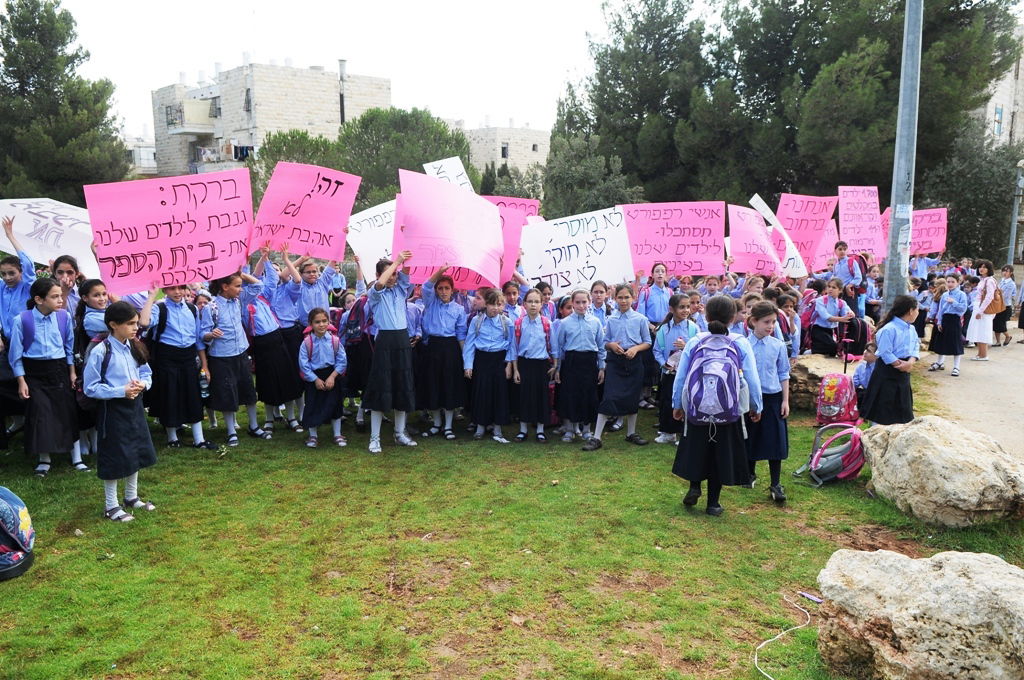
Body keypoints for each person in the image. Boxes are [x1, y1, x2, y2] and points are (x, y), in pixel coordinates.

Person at [670, 295, 762, 517]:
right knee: (720, 454)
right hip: (727, 409)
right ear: (733, 318)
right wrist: (755, 405)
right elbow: (751, 377)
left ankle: (694, 487)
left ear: (706, 315)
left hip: (697, 405)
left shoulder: (695, 341)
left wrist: (677, 403)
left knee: (696, 448)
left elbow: (681, 376)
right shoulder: (740, 342)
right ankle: (713, 503)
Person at [83, 302, 158, 522]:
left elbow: (146, 372)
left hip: (134, 406)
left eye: (136, 323)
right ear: (113, 325)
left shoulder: (134, 346)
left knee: (135, 449)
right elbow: (90, 387)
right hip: (112, 409)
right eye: (130, 323)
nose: (136, 327)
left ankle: (131, 497)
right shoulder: (100, 351)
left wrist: (142, 385)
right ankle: (111, 506)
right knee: (115, 455)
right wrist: (120, 391)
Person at [9, 278, 83, 476]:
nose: (61, 300)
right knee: (41, 414)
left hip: (59, 369)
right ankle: (44, 459)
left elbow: (69, 348)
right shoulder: (22, 320)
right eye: (55, 296)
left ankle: (76, 457)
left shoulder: (64, 317)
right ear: (39, 299)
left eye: (61, 295)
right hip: (34, 372)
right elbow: (15, 355)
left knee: (66, 411)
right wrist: (21, 381)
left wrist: (72, 372)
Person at [140, 284, 217, 450]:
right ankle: (172, 437)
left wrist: (204, 364)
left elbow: (198, 339)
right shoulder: (158, 308)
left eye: (181, 288)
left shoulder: (192, 309)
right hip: (166, 357)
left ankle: (199, 439)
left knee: (193, 396)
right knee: (170, 395)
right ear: (165, 290)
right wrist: (151, 296)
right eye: (172, 288)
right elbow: (144, 322)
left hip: (188, 357)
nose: (177, 292)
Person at [198, 271, 271, 446]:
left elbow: (258, 286)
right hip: (222, 357)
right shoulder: (211, 308)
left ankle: (253, 426)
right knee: (227, 395)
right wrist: (210, 334)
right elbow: (201, 335)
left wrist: (241, 274)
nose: (240, 289)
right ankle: (231, 431)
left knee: (248, 391)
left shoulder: (239, 301)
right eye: (237, 286)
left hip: (241, 354)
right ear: (225, 287)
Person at [583, 284, 652, 451]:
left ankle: (631, 433)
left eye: (627, 297)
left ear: (633, 298)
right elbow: (605, 342)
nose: (623, 300)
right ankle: (597, 437)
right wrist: (612, 345)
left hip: (634, 361)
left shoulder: (641, 319)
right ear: (615, 299)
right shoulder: (611, 320)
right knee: (609, 396)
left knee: (632, 396)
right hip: (615, 361)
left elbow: (647, 342)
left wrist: (635, 348)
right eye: (620, 297)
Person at [363, 252, 417, 454]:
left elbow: (408, 272)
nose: (393, 277)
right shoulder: (375, 294)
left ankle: (399, 433)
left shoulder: (401, 290)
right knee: (381, 389)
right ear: (378, 275)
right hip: (385, 342)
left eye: (395, 274)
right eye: (389, 274)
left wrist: (408, 245)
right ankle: (374, 438)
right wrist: (396, 262)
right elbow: (379, 284)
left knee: (403, 388)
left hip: (402, 341)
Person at [743, 301, 790, 503]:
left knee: (775, 440)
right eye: (766, 322)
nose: (770, 326)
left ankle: (776, 482)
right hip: (752, 397)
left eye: (773, 322)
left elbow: (783, 373)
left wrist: (785, 400)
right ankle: (749, 473)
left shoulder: (778, 345)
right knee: (750, 436)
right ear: (753, 322)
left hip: (773, 397)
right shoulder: (744, 344)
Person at [417, 266, 467, 440]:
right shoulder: (430, 303)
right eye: (440, 288)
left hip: (450, 349)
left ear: (452, 290)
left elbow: (461, 334)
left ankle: (447, 426)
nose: (444, 291)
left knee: (449, 385)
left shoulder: (459, 310)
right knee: (433, 384)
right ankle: (436, 424)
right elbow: (425, 287)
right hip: (432, 347)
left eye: (447, 288)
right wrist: (440, 271)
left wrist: (465, 358)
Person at [554, 290, 605, 443]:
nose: (581, 305)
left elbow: (601, 345)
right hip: (571, 361)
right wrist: (558, 368)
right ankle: (569, 429)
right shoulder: (564, 323)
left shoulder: (595, 322)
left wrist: (601, 367)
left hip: (589, 362)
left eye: (584, 302)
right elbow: (559, 346)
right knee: (570, 395)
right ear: (573, 303)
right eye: (577, 302)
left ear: (589, 302)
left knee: (588, 395)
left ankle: (586, 429)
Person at [463, 288, 514, 443]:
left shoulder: (507, 322)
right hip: (482, 360)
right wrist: (468, 365)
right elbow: (469, 344)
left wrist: (509, 365)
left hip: (499, 361)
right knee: (481, 393)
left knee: (499, 394)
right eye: (492, 304)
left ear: (503, 306)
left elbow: (511, 345)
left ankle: (497, 429)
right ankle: (480, 426)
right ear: (486, 304)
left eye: (499, 304)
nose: (495, 308)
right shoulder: (476, 321)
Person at [860, 295, 920, 425]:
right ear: (911, 310)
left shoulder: (912, 329)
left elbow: (916, 346)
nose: (918, 313)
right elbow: (885, 352)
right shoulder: (889, 329)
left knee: (902, 409)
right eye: (917, 310)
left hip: (903, 371)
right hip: (887, 371)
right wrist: (900, 364)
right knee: (881, 409)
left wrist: (910, 362)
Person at [298, 308, 347, 447]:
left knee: (336, 404)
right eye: (317, 322)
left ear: (329, 321)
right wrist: (315, 379)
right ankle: (313, 436)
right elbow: (303, 364)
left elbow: (342, 360)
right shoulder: (307, 343)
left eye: (324, 321)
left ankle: (337, 434)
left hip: (332, 375)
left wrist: (332, 376)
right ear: (311, 324)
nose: (321, 325)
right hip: (314, 378)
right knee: (313, 405)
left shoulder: (334, 340)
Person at [653, 294, 698, 445]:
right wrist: (663, 363)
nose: (686, 310)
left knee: (686, 401)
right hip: (669, 372)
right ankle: (668, 432)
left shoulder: (693, 328)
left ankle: (684, 433)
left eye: (688, 306)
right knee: (667, 401)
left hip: (686, 373)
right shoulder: (663, 329)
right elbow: (657, 350)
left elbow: (699, 350)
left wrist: (686, 347)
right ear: (672, 309)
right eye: (682, 307)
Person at [511, 288, 555, 442]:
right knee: (524, 396)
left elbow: (554, 347)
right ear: (524, 304)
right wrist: (515, 369)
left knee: (541, 397)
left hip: (541, 365)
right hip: (524, 364)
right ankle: (523, 430)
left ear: (542, 304)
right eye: (530, 301)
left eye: (537, 302)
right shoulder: (518, 323)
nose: (533, 305)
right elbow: (514, 349)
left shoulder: (546, 323)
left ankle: (540, 430)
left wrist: (555, 365)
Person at [634, 263, 671, 409]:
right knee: (647, 361)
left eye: (663, 271)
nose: (660, 274)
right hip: (650, 328)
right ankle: (640, 397)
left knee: (657, 363)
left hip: (664, 329)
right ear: (652, 274)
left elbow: (671, 311)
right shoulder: (646, 291)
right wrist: (651, 327)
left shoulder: (670, 292)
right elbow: (641, 313)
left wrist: (664, 326)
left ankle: (648, 394)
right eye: (657, 271)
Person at [927, 275, 968, 376]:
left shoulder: (961, 294)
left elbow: (963, 308)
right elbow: (941, 309)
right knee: (941, 342)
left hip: (954, 319)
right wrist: (939, 322)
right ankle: (939, 362)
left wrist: (954, 302)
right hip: (944, 319)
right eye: (948, 282)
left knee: (955, 343)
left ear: (958, 282)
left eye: (952, 282)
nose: (950, 284)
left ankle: (956, 367)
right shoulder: (944, 295)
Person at [810, 278, 854, 355]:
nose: (830, 289)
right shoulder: (820, 300)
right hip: (818, 329)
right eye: (829, 286)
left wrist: (850, 314)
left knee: (831, 351)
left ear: (840, 290)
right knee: (831, 347)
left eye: (834, 287)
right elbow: (826, 317)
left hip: (831, 330)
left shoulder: (841, 302)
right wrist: (841, 319)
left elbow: (847, 312)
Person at [966, 259, 997, 361]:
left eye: (984, 267)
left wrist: (980, 311)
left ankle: (984, 355)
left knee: (983, 331)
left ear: (989, 269)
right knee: (978, 331)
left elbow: (989, 297)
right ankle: (980, 354)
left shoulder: (990, 280)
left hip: (984, 309)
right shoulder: (982, 279)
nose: (981, 269)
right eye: (980, 267)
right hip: (978, 307)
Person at [993, 265, 1017, 347]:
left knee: (1000, 324)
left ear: (1011, 273)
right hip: (997, 305)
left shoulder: (1011, 284)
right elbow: (998, 291)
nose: (1004, 273)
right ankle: (998, 342)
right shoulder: (1002, 281)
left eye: (1007, 271)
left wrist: (997, 293)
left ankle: (1008, 336)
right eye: (1003, 271)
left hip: (1005, 306)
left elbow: (1006, 295)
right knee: (995, 323)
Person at [853, 342, 877, 408]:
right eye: (865, 349)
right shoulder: (860, 366)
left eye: (869, 351)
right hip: (864, 393)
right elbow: (855, 383)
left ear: (877, 355)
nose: (865, 352)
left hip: (875, 395)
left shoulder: (879, 369)